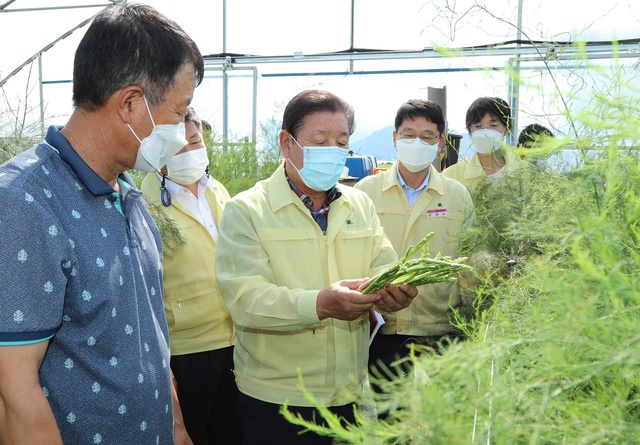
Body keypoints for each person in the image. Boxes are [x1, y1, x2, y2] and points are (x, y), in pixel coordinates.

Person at [0, 4, 203, 444]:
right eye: (179, 112)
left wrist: (177, 428)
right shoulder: (25, 203)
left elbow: (150, 334)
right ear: (130, 104)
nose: (186, 132)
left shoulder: (127, 193)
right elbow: (14, 394)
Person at [214, 89, 418, 445]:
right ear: (286, 143)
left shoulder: (359, 205)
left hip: (348, 393)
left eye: (341, 142)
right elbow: (246, 301)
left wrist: (394, 292)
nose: (333, 150)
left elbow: (384, 265)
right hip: (278, 399)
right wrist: (320, 304)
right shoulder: (247, 210)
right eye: (320, 140)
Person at [141, 107, 242, 445]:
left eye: (195, 141)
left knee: (232, 433)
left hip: (235, 340)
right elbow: (147, 291)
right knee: (191, 434)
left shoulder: (218, 191)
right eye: (178, 148)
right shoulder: (147, 202)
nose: (190, 152)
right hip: (187, 351)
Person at [354, 99, 473, 378]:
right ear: (395, 138)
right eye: (408, 135)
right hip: (385, 326)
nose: (417, 142)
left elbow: (469, 258)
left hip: (442, 328)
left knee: (445, 415)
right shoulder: (365, 191)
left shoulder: (457, 195)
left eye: (427, 136)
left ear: (440, 143)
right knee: (390, 416)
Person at [442, 96, 527, 192]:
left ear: (506, 129)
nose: (485, 132)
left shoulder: (527, 173)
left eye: (493, 125)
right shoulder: (451, 176)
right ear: (470, 131)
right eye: (478, 126)